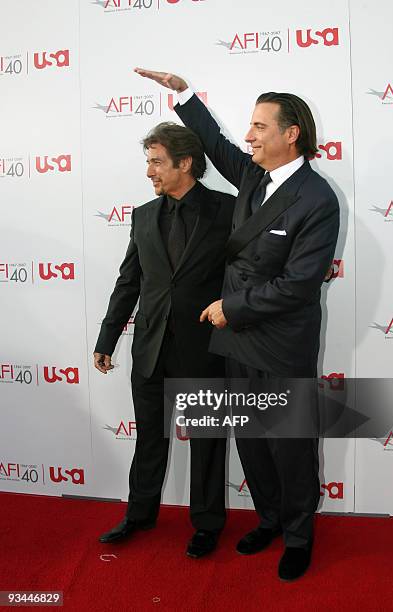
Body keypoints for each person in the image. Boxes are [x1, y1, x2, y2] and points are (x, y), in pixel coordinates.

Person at [134, 69, 340, 581]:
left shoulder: (318, 199)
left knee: (289, 445)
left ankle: (298, 535)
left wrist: (234, 307)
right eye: (249, 127)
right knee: (251, 440)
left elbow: (299, 284)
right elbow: (213, 140)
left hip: (280, 343)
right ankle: (269, 519)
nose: (248, 136)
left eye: (259, 127)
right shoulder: (251, 175)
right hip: (235, 342)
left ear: (290, 134)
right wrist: (183, 93)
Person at [94, 121, 235, 558]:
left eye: (157, 162)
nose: (150, 172)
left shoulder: (228, 210)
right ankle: (139, 514)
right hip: (150, 349)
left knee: (207, 443)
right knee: (149, 438)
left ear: (185, 163)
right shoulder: (143, 216)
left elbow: (246, 274)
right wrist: (107, 336)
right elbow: (129, 281)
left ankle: (208, 523)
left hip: (205, 348)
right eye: (148, 162)